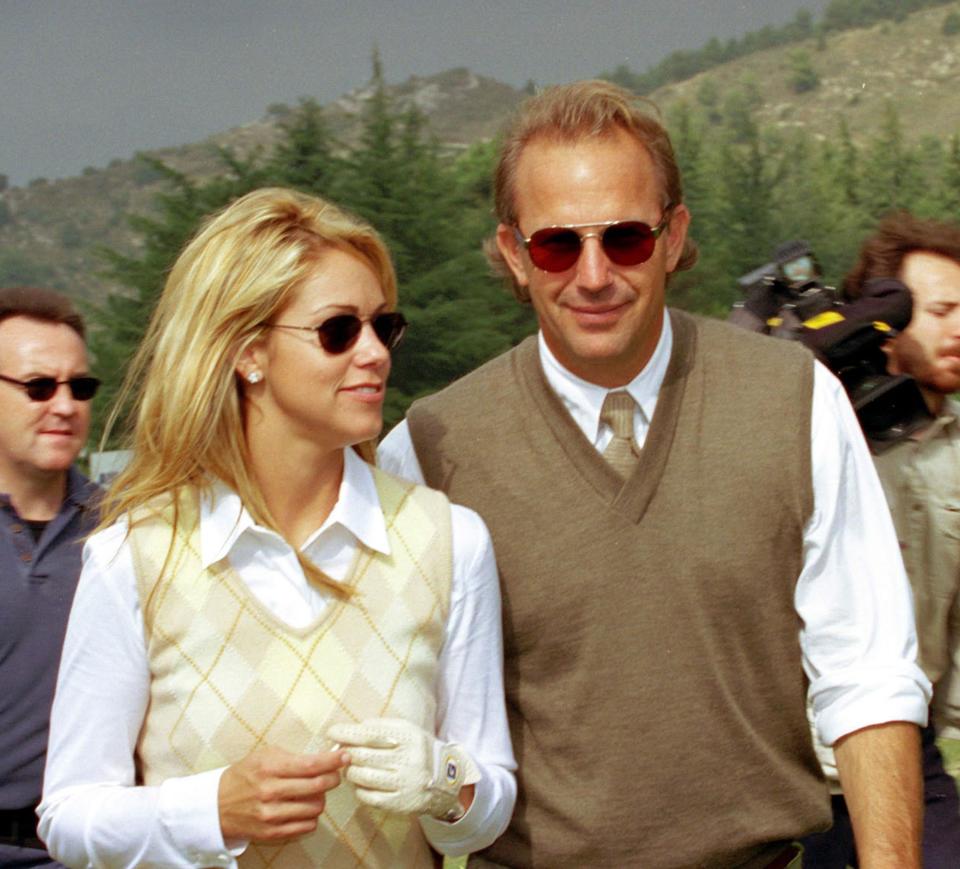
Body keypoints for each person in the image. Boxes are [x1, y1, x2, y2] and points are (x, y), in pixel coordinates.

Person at [378, 80, 931, 868]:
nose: (594, 274)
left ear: (673, 236)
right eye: (558, 245)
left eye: (626, 238)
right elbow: (415, 737)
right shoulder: (430, 449)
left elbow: (868, 673)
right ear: (514, 253)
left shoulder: (795, 400)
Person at [38, 188, 515, 868]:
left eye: (385, 326)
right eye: (339, 330)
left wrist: (443, 781)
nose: (376, 352)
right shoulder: (134, 556)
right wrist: (210, 810)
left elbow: (487, 810)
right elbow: (71, 814)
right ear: (248, 352)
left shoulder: (449, 542)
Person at [801, 212, 960, 868]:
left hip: (905, 746)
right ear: (885, 322)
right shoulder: (813, 424)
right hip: (787, 756)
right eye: (943, 309)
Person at [0, 287, 100, 869]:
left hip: (88, 853)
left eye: (79, 387)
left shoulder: (134, 532)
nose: (64, 405)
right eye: (39, 386)